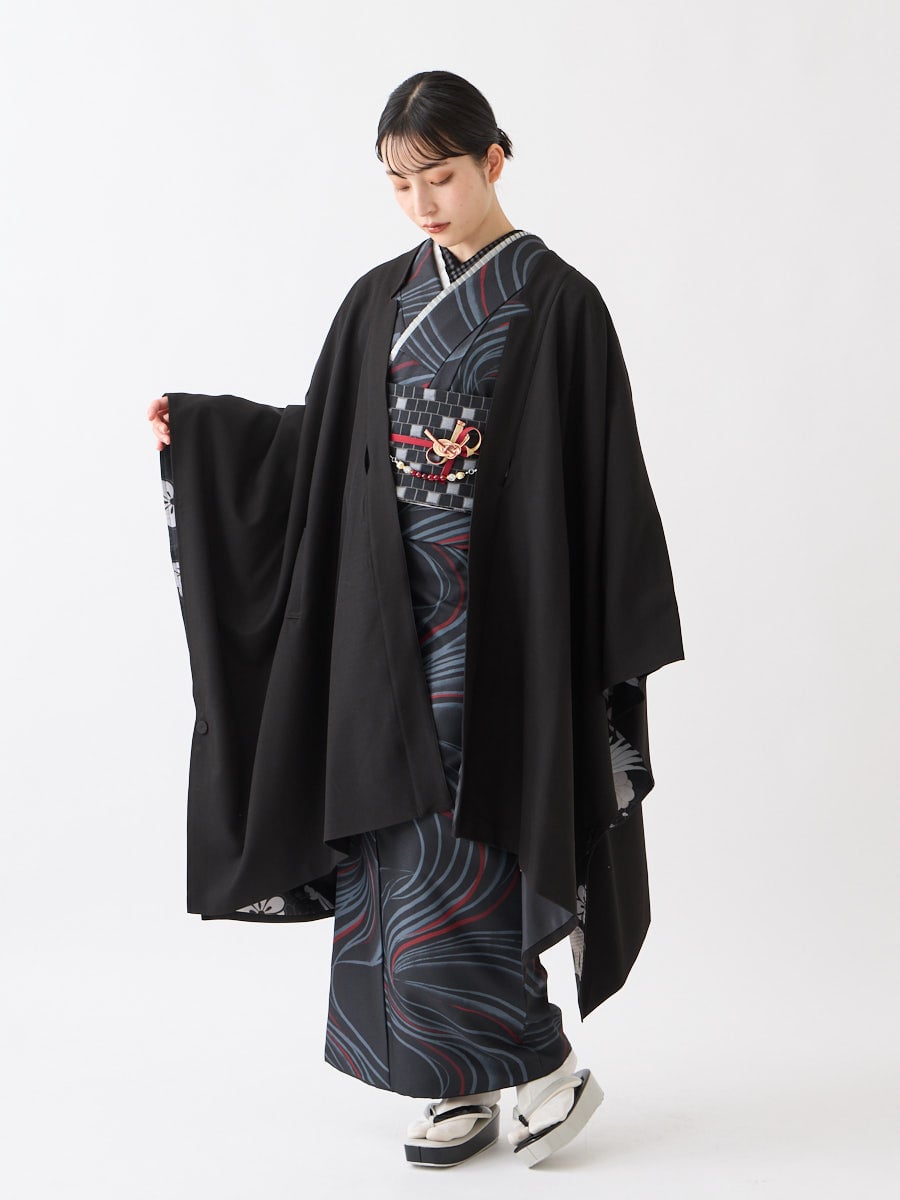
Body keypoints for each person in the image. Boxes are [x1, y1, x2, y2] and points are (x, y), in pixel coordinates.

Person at [147, 70, 684, 1169]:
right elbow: (323, 446)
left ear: (494, 159)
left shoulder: (560, 302)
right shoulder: (377, 299)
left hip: (504, 624)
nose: (422, 203)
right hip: (384, 619)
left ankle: (540, 1065)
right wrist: (204, 436)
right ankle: (449, 1080)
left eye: (439, 177)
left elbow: (605, 472)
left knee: (469, 831)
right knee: (391, 835)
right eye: (399, 184)